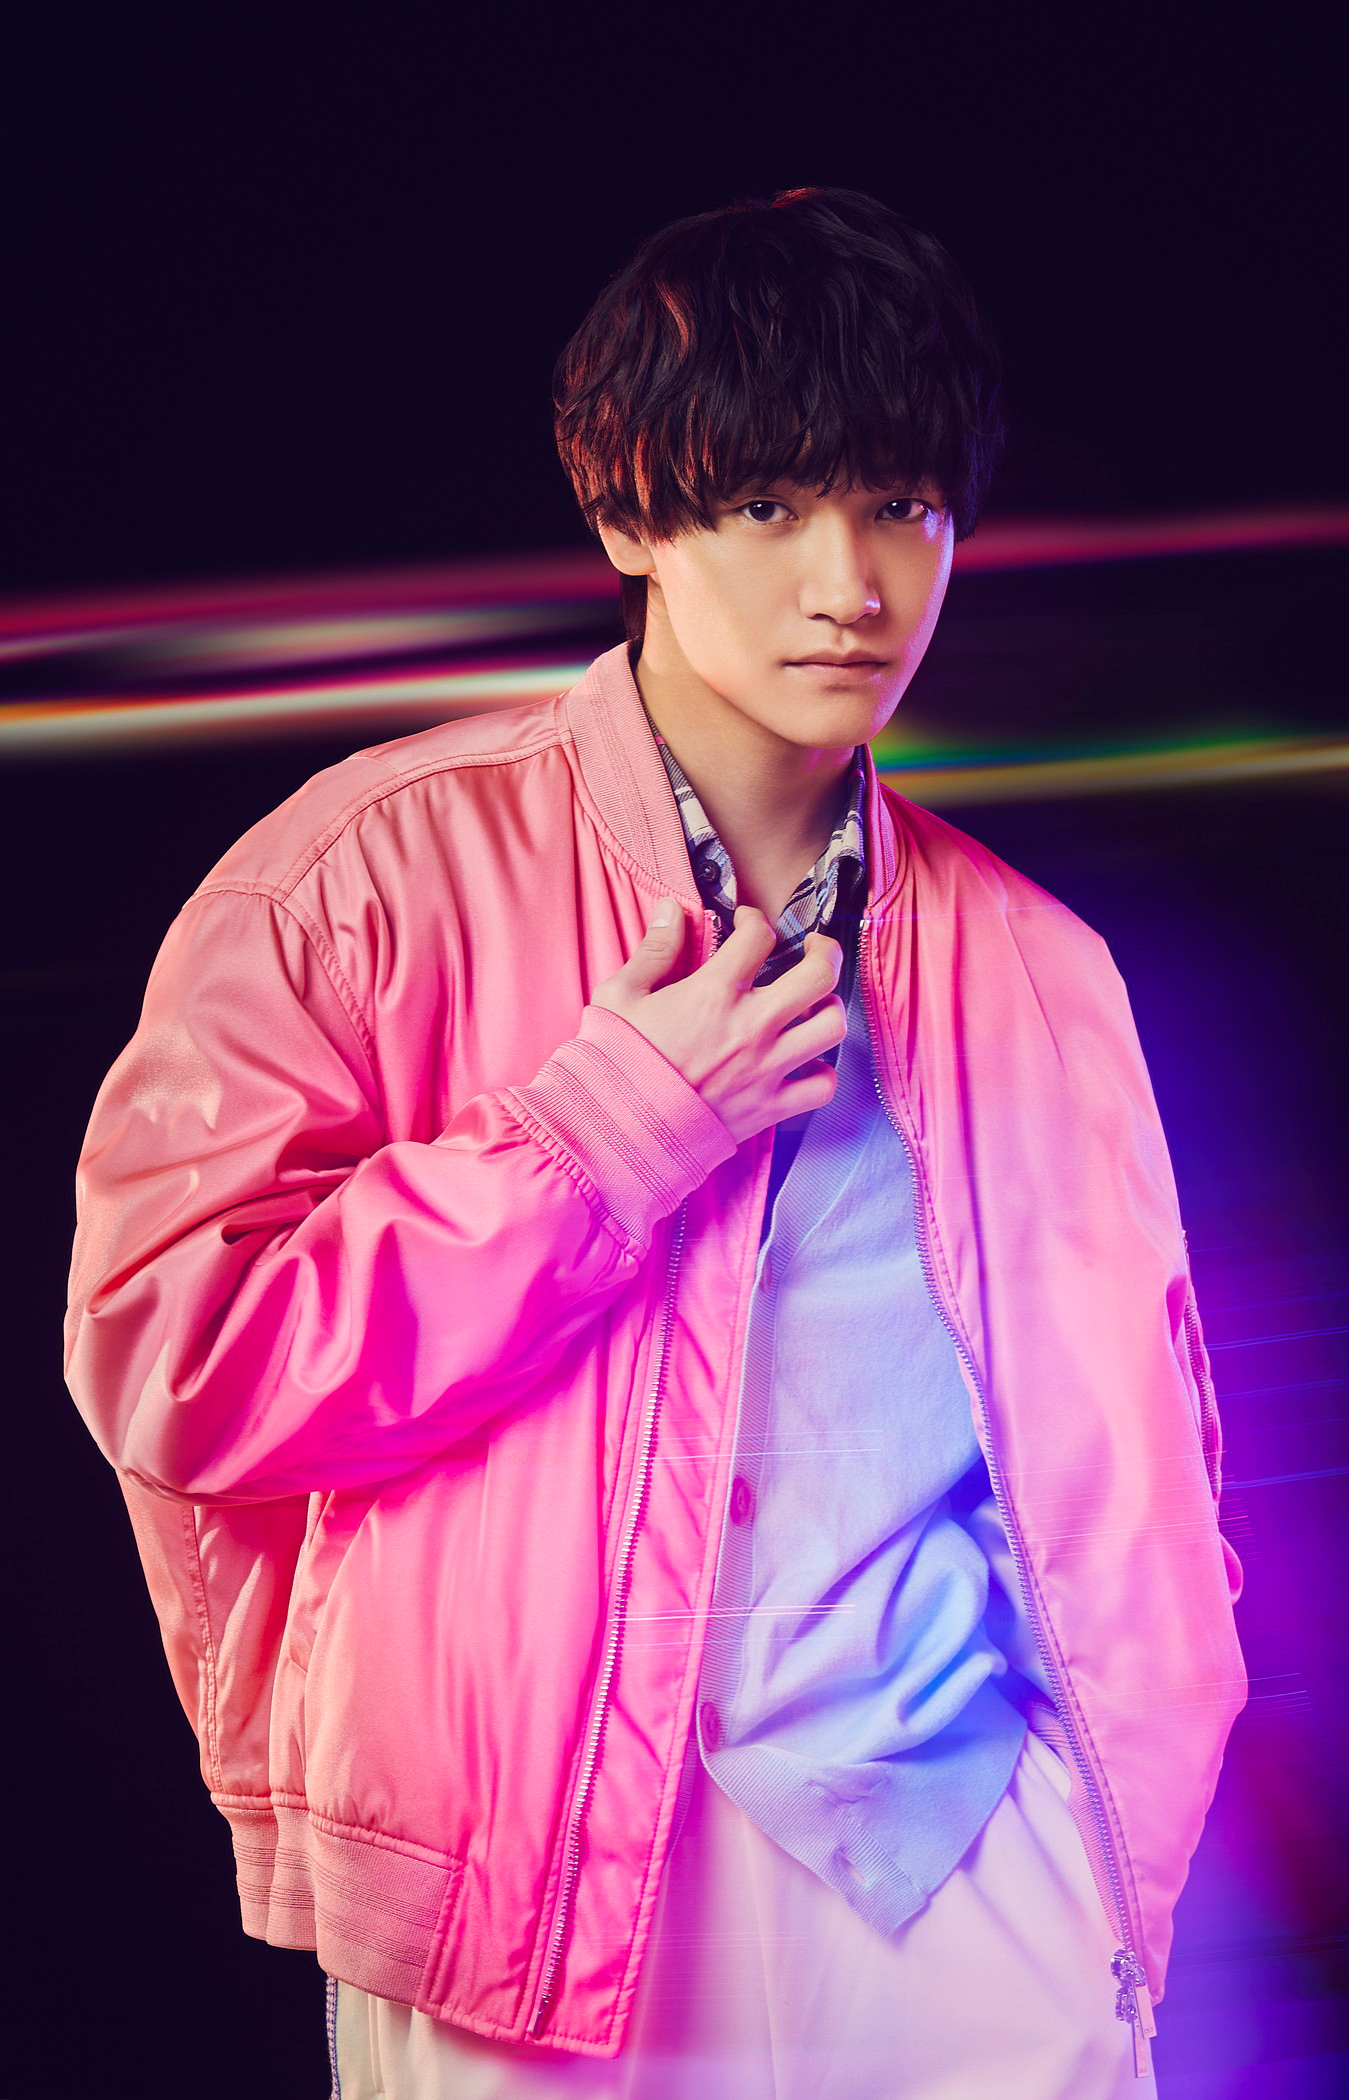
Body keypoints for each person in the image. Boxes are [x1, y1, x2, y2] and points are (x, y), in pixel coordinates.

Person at [65, 188, 1246, 2099]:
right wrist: (597, 1137)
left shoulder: (1044, 971)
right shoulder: (360, 881)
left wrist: (1103, 1847)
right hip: (529, 1901)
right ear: (627, 513)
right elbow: (171, 1366)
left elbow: (1149, 1458)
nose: (849, 583)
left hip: (971, 1879)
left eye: (901, 505)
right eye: (768, 506)